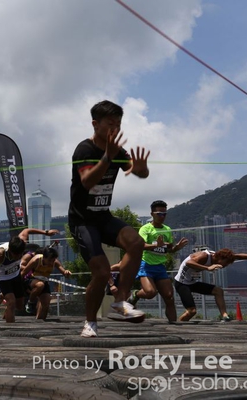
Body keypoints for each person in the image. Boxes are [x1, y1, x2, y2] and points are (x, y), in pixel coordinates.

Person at [68, 99, 150, 338]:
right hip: (82, 221)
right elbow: (87, 181)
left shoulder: (117, 151)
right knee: (102, 273)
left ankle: (121, 301)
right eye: (110, 124)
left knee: (136, 242)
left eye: (119, 124)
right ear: (95, 124)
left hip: (103, 217)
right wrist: (107, 157)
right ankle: (90, 322)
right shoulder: (84, 150)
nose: (115, 129)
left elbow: (138, 171)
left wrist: (141, 169)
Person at [127, 200, 188, 322]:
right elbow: (141, 245)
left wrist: (176, 248)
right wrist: (155, 245)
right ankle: (136, 294)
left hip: (160, 267)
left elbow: (169, 249)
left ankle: (173, 324)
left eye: (164, 214)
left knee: (169, 296)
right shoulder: (145, 229)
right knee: (150, 293)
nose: (162, 216)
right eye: (159, 214)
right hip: (146, 265)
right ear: (152, 214)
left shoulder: (167, 229)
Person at [174, 248, 247, 322]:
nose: (225, 265)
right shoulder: (204, 256)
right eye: (226, 263)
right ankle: (179, 325)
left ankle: (224, 315)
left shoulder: (219, 256)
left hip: (192, 282)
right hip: (181, 283)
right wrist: (208, 268)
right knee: (192, 311)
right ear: (220, 258)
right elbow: (188, 263)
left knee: (218, 291)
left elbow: (237, 256)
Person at [20, 246, 71, 319]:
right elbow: (23, 272)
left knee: (46, 302)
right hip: (31, 279)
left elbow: (63, 271)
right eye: (49, 260)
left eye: (53, 260)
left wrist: (66, 272)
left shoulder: (54, 262)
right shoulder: (36, 260)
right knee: (40, 285)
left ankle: (40, 321)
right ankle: (30, 302)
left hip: (44, 281)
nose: (51, 263)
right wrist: (18, 285)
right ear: (44, 257)